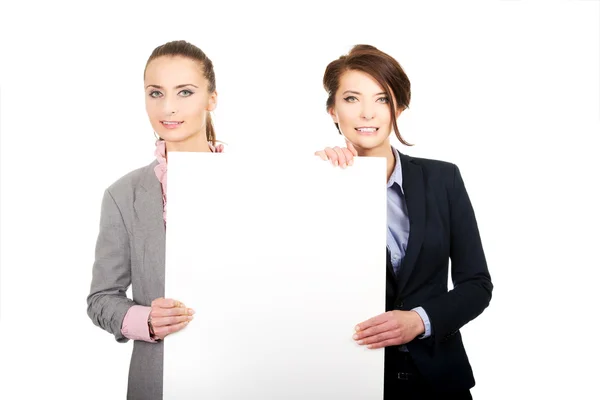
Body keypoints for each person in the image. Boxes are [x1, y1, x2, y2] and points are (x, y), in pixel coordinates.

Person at [315, 44, 493, 399]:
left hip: (438, 379)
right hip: (348, 377)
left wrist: (419, 320)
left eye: (382, 99)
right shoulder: (315, 184)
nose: (367, 113)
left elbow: (476, 284)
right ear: (333, 110)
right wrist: (316, 183)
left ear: (399, 108)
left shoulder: (442, 179)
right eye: (352, 99)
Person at [86, 40, 223, 400]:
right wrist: (144, 319)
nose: (168, 108)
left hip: (243, 373)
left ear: (212, 99)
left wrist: (335, 170)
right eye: (156, 93)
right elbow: (101, 298)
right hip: (160, 380)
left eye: (185, 92)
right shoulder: (123, 194)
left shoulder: (257, 182)